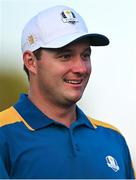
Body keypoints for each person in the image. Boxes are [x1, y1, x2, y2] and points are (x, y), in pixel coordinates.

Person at [0, 5, 135, 179]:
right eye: (65, 56)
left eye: (85, 55)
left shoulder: (113, 139)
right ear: (31, 62)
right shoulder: (5, 134)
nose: (81, 68)